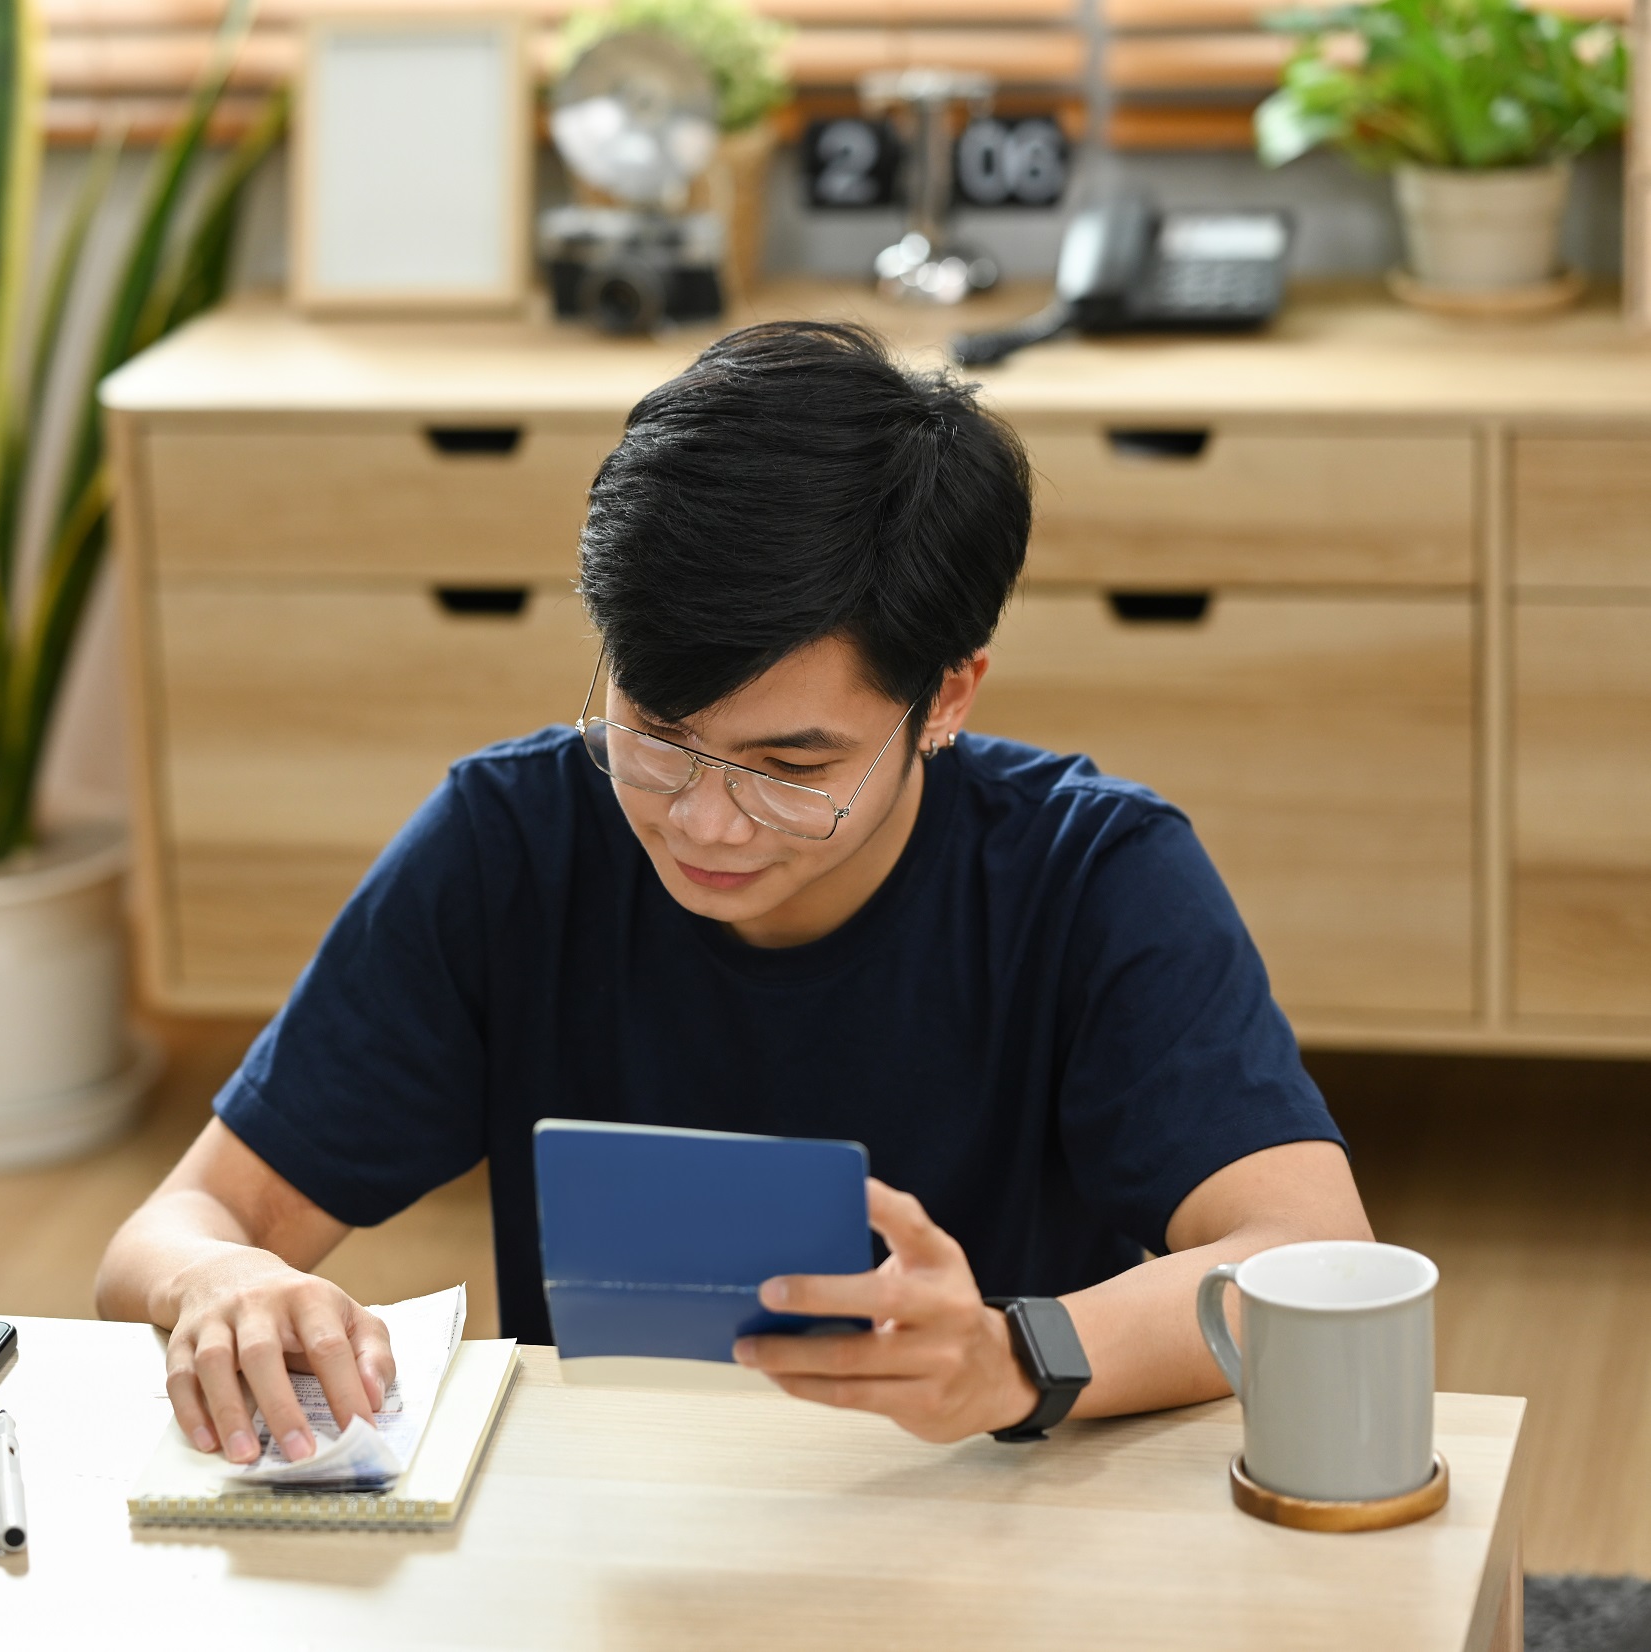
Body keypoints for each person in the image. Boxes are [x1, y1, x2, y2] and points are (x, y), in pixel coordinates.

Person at [95, 319, 1372, 1467]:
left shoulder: (1091, 874)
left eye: (790, 763)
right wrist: (218, 1278)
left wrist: (1010, 1356)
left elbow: (1311, 1263)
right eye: (654, 731)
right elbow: (177, 1224)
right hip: (616, 1525)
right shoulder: (510, 841)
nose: (702, 819)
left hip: (986, 1503)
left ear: (948, 697)